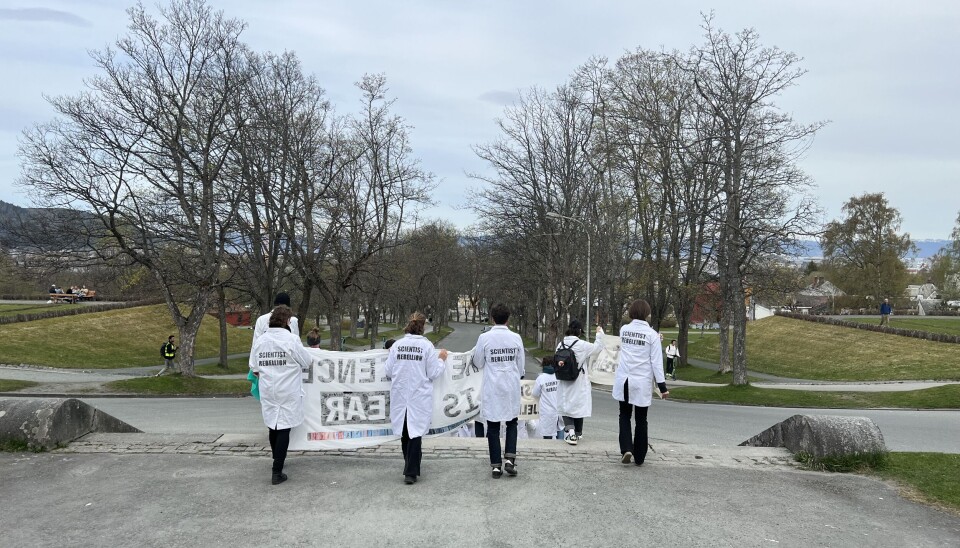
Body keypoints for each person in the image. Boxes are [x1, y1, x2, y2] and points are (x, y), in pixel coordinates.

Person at [249, 305, 313, 485]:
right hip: (288, 388)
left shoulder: (261, 341)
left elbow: (254, 367)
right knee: (284, 427)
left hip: (268, 387)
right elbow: (307, 361)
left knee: (272, 424)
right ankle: (277, 470)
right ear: (287, 321)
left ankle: (276, 457)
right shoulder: (292, 340)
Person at [383, 312, 449, 485]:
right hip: (418, 395)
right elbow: (433, 372)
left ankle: (410, 464)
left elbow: (388, 371)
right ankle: (410, 471)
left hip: (401, 393)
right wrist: (441, 360)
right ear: (423, 327)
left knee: (406, 431)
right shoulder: (426, 346)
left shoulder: (398, 345)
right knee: (415, 432)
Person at [471, 303, 525, 478]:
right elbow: (521, 366)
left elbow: (478, 362)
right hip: (510, 385)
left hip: (492, 386)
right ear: (508, 319)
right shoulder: (516, 338)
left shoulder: (484, 338)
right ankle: (510, 458)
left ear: (492, 318)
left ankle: (496, 465)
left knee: (492, 426)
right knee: (512, 423)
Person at [614, 299, 669, 466]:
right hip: (641, 381)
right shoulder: (652, 335)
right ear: (647, 314)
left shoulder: (624, 330)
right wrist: (662, 387)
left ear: (631, 312)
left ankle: (626, 448)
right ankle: (639, 455)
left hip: (624, 379)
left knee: (624, 415)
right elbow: (656, 363)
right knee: (641, 418)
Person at [555, 319, 602, 445]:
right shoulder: (582, 345)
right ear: (580, 331)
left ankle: (571, 432)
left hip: (564, 380)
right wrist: (599, 334)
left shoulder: (560, 344)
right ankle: (575, 434)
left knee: (565, 408)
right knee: (578, 407)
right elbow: (598, 348)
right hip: (578, 380)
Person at [532, 356, 563, 440]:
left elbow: (535, 393)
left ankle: (549, 448)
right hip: (559, 408)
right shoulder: (558, 376)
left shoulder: (541, 378)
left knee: (547, 434)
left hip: (547, 410)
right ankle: (561, 448)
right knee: (560, 429)